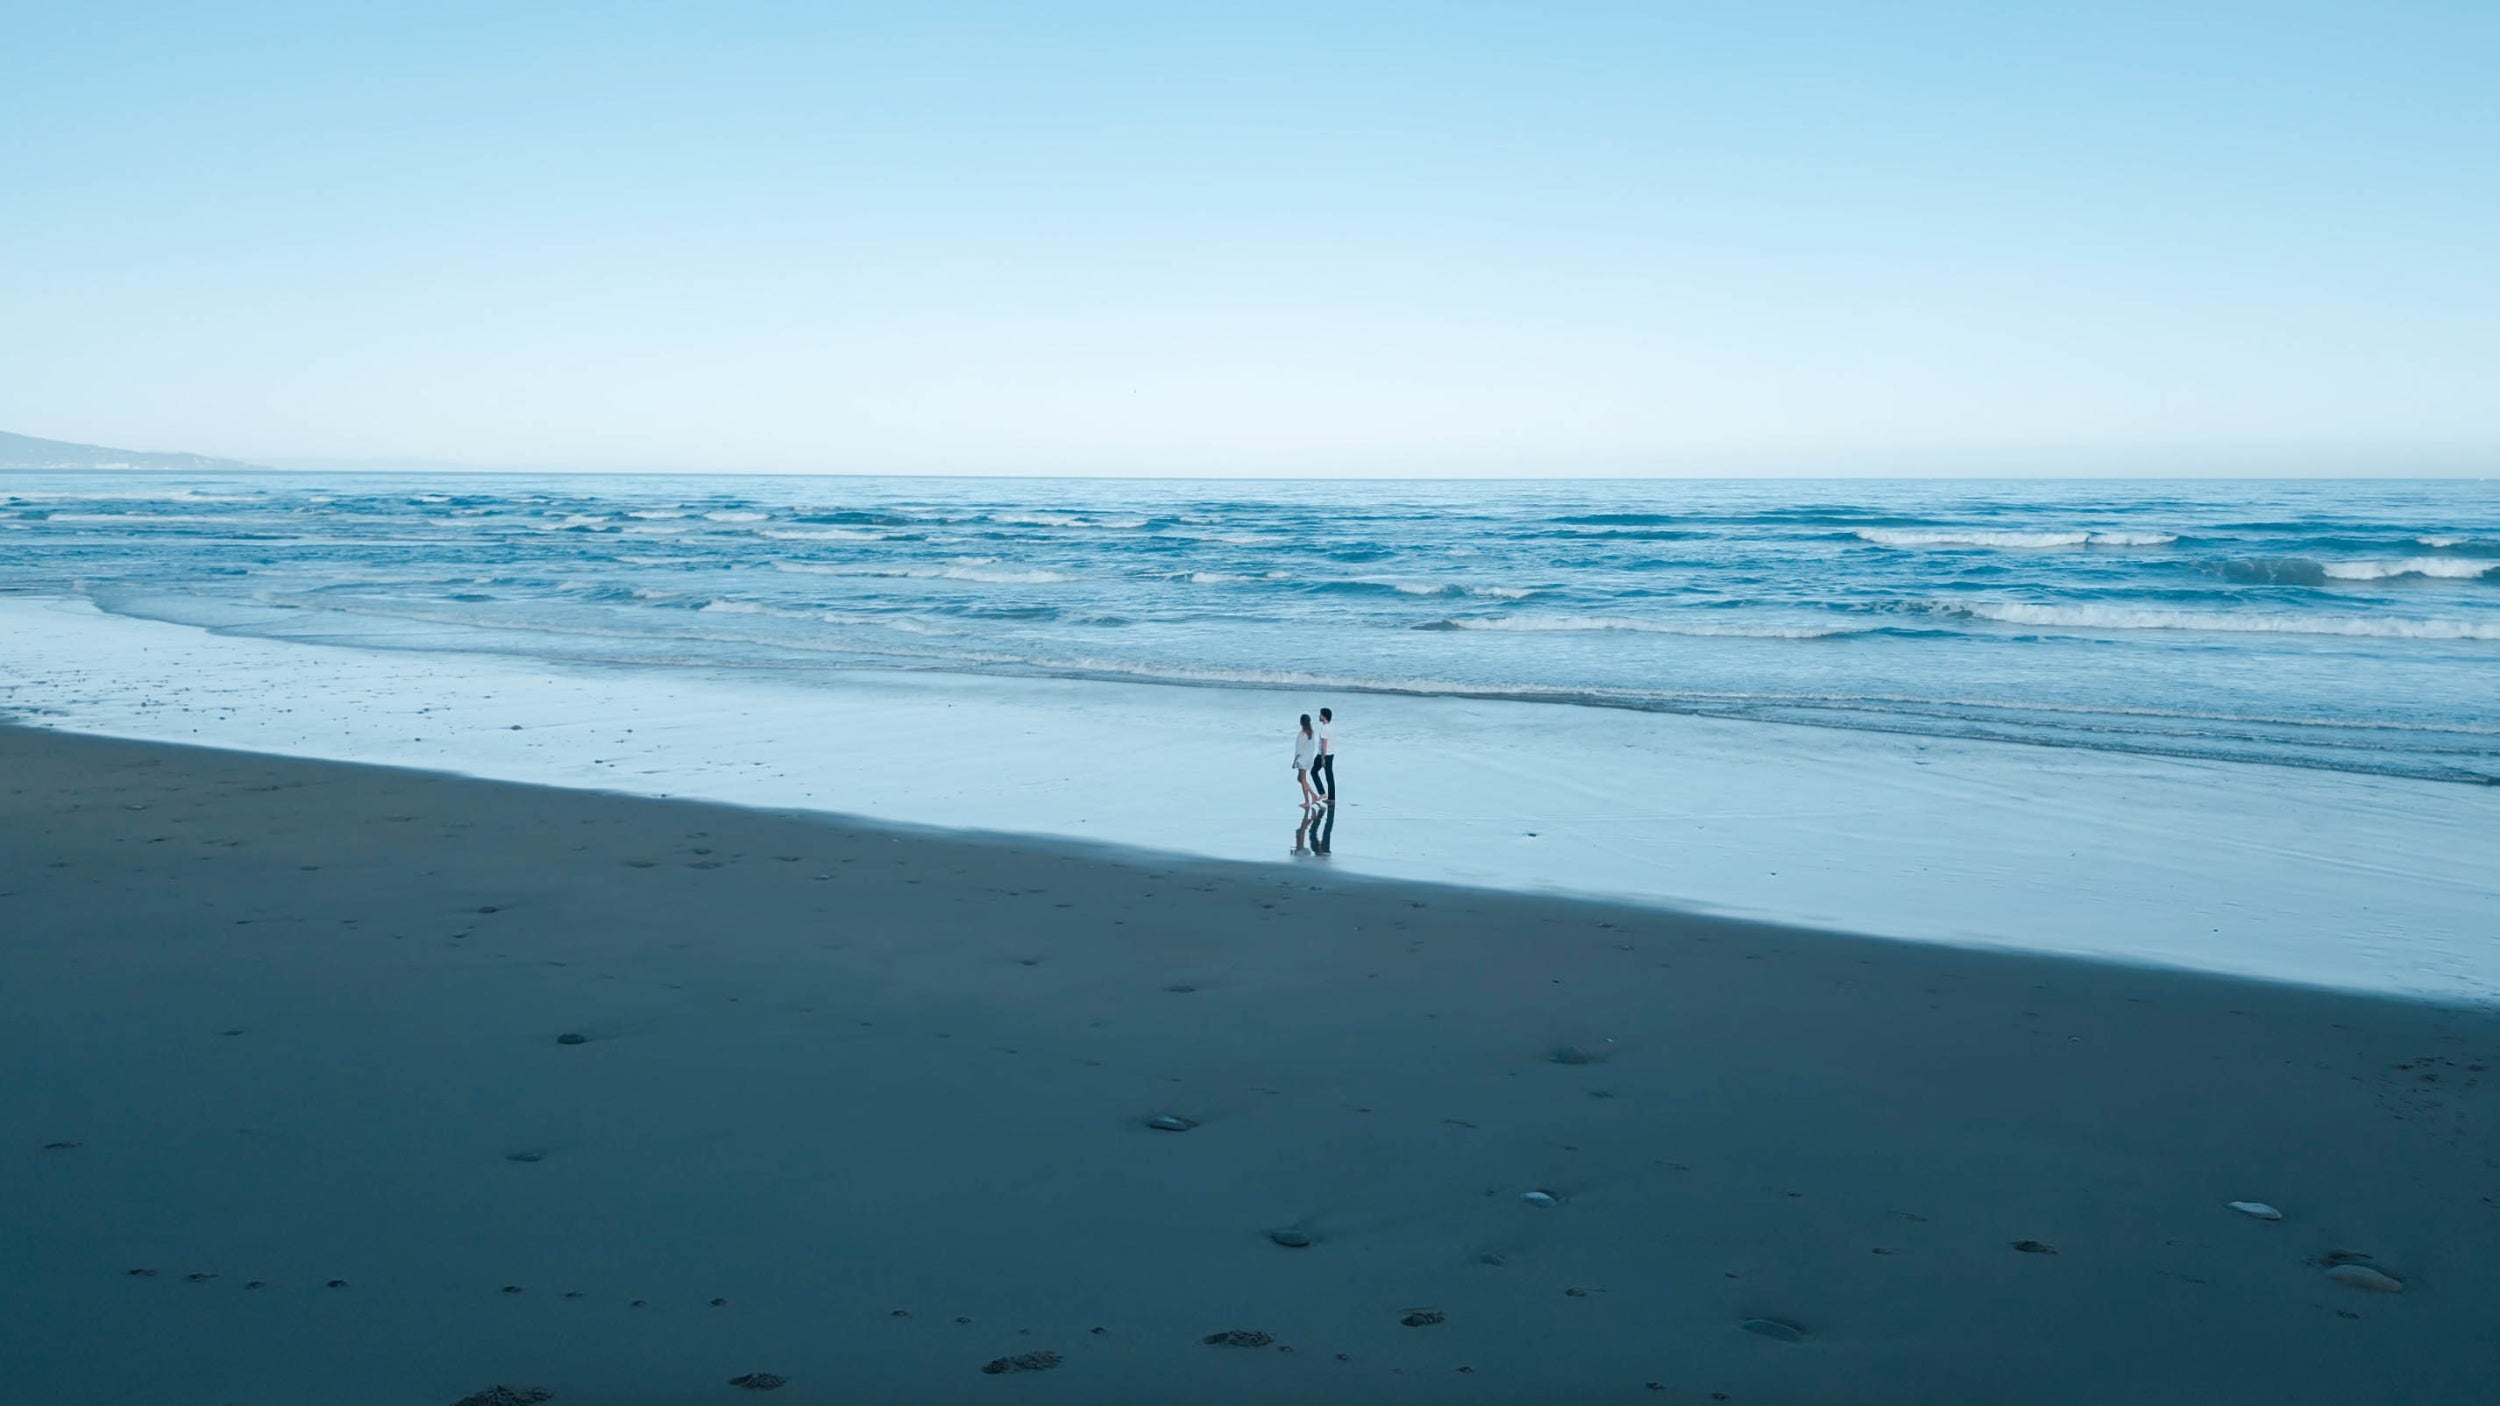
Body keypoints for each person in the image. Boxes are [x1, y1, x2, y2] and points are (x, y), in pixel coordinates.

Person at [1292, 713, 1321, 807]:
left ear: (1301, 722)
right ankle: (1313, 795)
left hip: (1302, 760)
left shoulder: (1302, 734)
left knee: (1303, 780)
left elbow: (1299, 750)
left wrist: (1294, 762)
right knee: (1300, 778)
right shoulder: (1311, 733)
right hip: (1309, 759)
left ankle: (1307, 801)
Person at [1311, 707, 1336, 804]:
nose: (1319, 716)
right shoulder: (1332, 727)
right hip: (1331, 754)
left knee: (1313, 772)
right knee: (1329, 776)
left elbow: (1324, 744)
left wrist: (1322, 758)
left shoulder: (1324, 729)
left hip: (1324, 755)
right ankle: (1331, 798)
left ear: (1324, 717)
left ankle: (1322, 792)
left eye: (1320, 714)